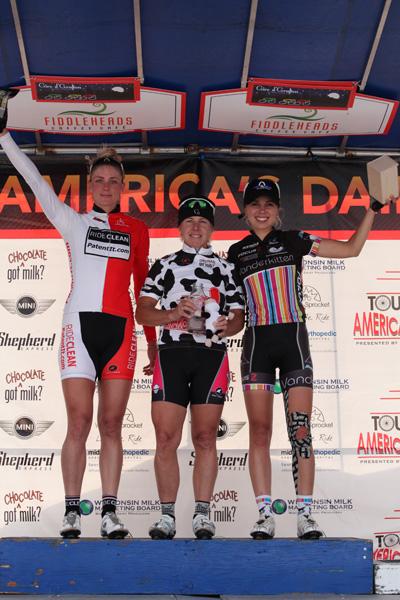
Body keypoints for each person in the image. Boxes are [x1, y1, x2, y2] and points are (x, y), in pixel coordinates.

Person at [0, 93, 157, 539]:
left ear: (123, 187)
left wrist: (152, 343)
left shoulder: (137, 229)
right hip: (78, 327)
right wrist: (5, 137)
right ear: (91, 185)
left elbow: (144, 287)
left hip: (121, 331)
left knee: (111, 425)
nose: (106, 186)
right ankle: (72, 511)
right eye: (100, 180)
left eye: (113, 180)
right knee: (80, 422)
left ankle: (109, 513)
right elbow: (34, 182)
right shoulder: (73, 221)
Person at [227, 177, 394, 540]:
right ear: (244, 211)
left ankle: (305, 514)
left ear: (278, 210)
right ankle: (264, 516)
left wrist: (373, 209)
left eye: (269, 204)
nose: (261, 210)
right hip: (256, 345)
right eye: (255, 204)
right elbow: (235, 314)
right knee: (259, 432)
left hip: (293, 344)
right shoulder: (235, 253)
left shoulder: (295, 240)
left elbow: (351, 250)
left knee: (300, 430)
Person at [135, 196, 245, 539]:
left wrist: (230, 324)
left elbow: (239, 317)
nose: (196, 227)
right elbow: (142, 312)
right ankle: (167, 516)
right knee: (166, 437)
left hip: (210, 356)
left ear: (212, 229)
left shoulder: (227, 268)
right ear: (180, 227)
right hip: (171, 354)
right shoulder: (164, 265)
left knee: (205, 437)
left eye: (203, 222)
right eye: (189, 221)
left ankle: (202, 514)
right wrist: (172, 313)